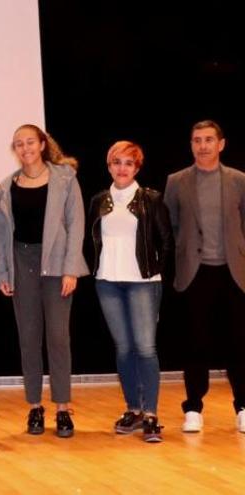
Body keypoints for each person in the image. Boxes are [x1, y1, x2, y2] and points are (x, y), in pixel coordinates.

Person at [0, 124, 88, 438]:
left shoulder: (64, 178)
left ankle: (62, 407)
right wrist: (3, 272)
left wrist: (72, 269)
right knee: (29, 338)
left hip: (57, 264)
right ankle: (35, 406)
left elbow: (76, 225)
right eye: (18, 144)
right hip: (22, 263)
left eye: (30, 142)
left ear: (42, 144)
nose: (25, 148)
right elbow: (1, 234)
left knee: (58, 337)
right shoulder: (7, 185)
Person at [88, 141, 172, 442]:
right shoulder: (99, 200)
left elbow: (166, 241)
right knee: (123, 350)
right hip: (107, 282)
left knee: (145, 348)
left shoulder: (151, 199)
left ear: (137, 168)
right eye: (116, 162)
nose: (122, 168)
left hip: (143, 284)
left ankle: (151, 414)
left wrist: (156, 273)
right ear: (109, 166)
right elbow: (92, 242)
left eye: (128, 163)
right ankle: (133, 409)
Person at [164, 120, 245, 434]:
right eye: (197, 140)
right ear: (191, 144)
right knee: (195, 342)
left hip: (234, 272)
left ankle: (242, 406)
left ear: (221, 144)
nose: (203, 145)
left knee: (239, 342)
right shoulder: (176, 181)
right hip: (194, 274)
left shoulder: (239, 180)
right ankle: (193, 408)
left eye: (209, 139)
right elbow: (170, 225)